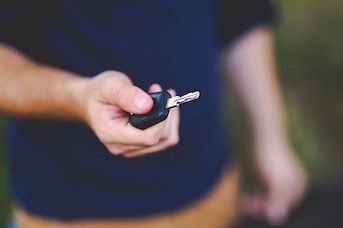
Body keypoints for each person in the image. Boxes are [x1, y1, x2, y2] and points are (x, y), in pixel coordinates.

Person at [0, 0, 306, 227]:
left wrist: (271, 139)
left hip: (214, 192)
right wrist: (80, 97)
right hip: (80, 211)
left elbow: (240, 12)